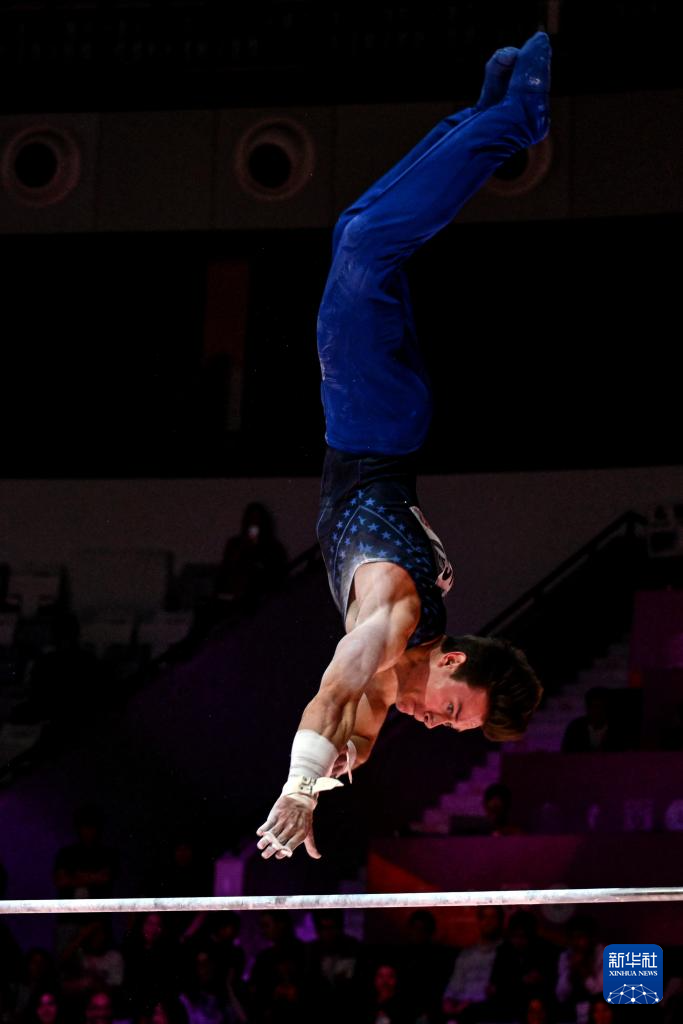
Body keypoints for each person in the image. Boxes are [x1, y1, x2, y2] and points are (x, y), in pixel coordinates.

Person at [256, 31, 550, 860]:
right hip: (372, 426)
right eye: (451, 711)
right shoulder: (397, 614)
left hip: (379, 423)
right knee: (364, 247)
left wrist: (341, 765)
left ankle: (482, 113)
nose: (434, 723)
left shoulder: (396, 667)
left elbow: (363, 720)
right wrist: (297, 791)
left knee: (358, 232)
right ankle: (516, 123)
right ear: (450, 661)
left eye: (448, 727)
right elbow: (334, 692)